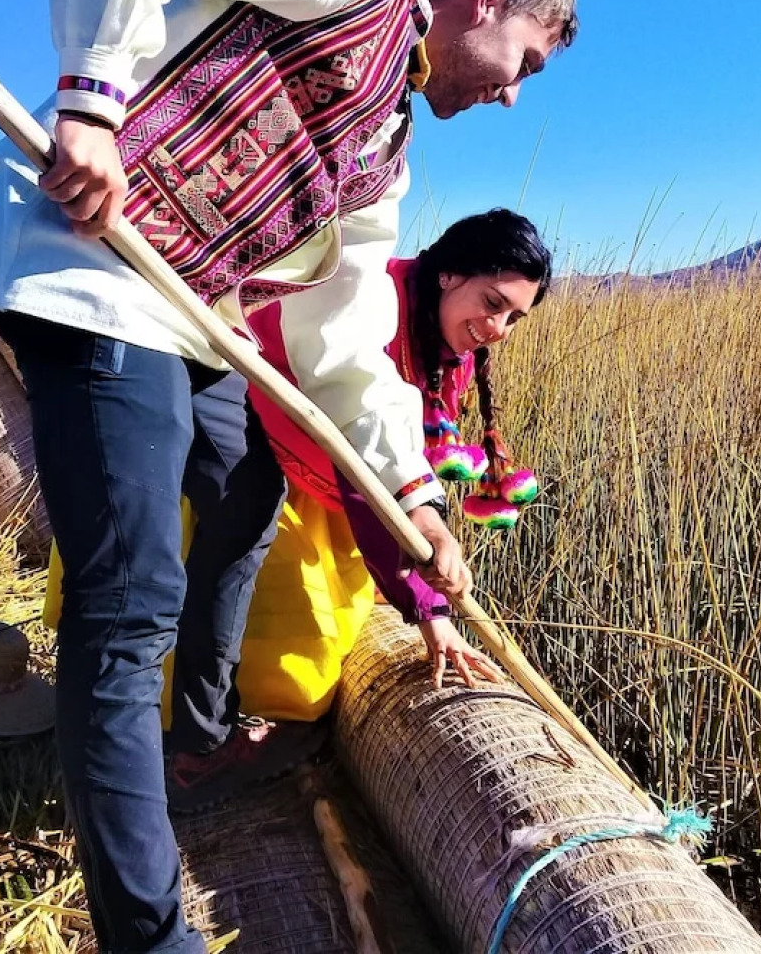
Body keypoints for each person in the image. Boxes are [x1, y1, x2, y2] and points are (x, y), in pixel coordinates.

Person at [0, 0, 578, 949]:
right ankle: (150, 934)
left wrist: (416, 503)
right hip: (95, 271)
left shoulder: (382, 159)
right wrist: (93, 104)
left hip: (190, 317)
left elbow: (342, 345)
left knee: (241, 490)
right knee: (131, 599)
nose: (517, 95)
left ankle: (196, 740)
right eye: (528, 62)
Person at [162, 209, 551, 808]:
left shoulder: (450, 338)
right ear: (449, 275)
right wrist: (429, 608)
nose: (499, 327)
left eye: (514, 317)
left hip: (331, 472)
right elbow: (360, 454)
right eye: (493, 302)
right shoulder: (372, 312)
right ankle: (210, 740)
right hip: (260, 442)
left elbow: (401, 452)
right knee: (284, 615)